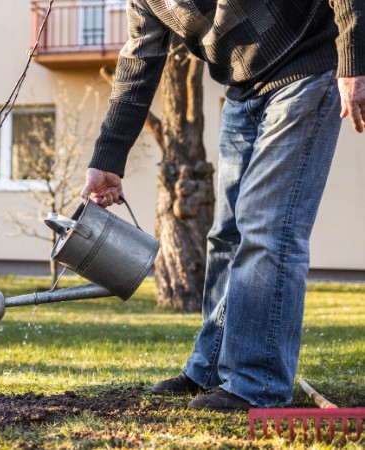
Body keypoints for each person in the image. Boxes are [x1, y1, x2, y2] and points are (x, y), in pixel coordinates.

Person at [80, 0, 365, 412]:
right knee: (226, 236)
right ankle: (210, 367)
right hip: (242, 89)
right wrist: (107, 159)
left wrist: (353, 58)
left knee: (268, 228)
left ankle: (258, 384)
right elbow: (139, 59)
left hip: (306, 64)